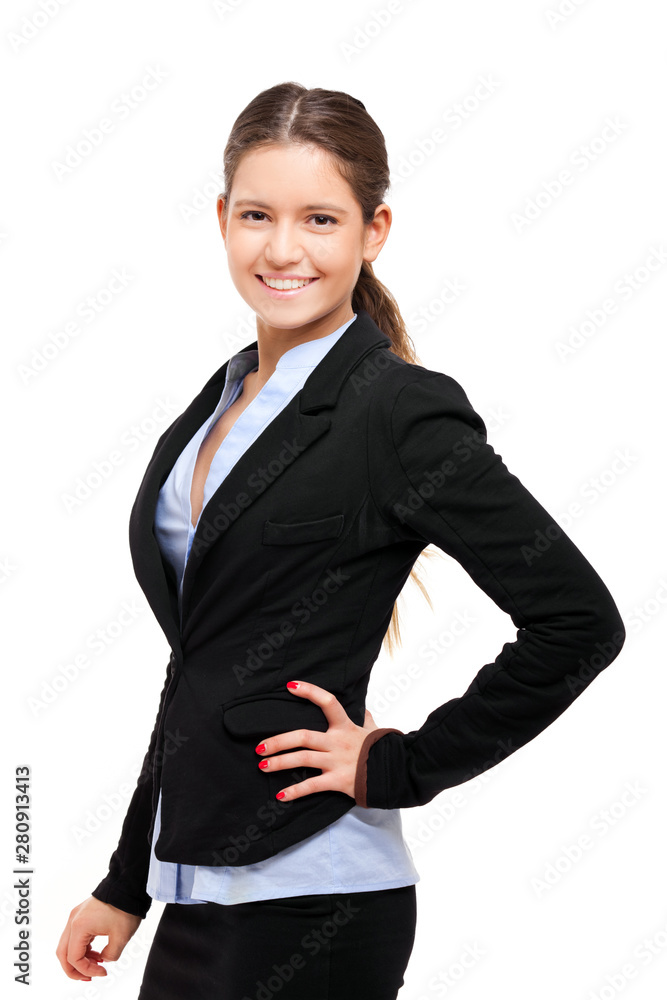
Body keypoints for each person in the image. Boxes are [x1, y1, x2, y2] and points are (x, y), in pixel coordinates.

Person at [56, 82, 626, 999]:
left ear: (374, 231)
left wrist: (399, 763)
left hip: (313, 897)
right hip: (197, 888)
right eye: (256, 215)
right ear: (221, 220)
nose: (282, 249)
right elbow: (201, 668)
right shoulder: (220, 405)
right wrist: (128, 882)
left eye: (319, 218)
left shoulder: (400, 412)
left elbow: (578, 622)